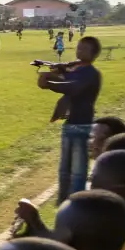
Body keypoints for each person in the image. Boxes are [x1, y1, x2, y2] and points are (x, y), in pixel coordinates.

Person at [38, 35, 102, 201]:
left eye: (84, 49)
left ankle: (77, 203)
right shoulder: (78, 70)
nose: (79, 50)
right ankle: (63, 201)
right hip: (70, 124)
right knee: (65, 169)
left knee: (79, 170)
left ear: (94, 54)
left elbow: (73, 87)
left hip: (82, 125)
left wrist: (49, 84)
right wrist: (52, 74)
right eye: (79, 47)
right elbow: (66, 78)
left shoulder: (91, 73)